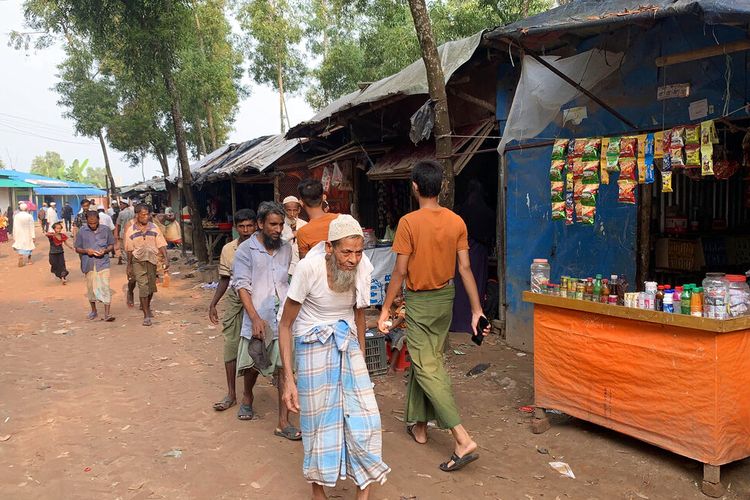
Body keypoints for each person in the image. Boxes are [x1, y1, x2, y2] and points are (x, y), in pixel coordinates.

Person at [378, 160, 490, 473]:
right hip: (446, 300)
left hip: (421, 301)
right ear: (440, 187)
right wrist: (476, 310)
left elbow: (400, 271)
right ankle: (420, 426)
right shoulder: (456, 221)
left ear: (414, 186)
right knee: (425, 361)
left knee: (427, 366)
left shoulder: (409, 222)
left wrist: (386, 308)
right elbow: (465, 269)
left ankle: (461, 437)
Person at [279, 214, 389, 500]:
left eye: (358, 251)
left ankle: (362, 494)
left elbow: (360, 315)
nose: (353, 259)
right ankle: (319, 493)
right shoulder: (308, 269)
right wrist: (289, 381)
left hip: (346, 339)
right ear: (330, 248)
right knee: (318, 422)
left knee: (367, 419)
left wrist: (361, 360)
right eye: (346, 252)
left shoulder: (363, 267)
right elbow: (285, 325)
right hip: (312, 341)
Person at [231, 202, 300, 440]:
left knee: (284, 368)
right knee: (253, 363)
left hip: (283, 317)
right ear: (260, 224)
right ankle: (247, 396)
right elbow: (241, 285)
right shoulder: (245, 251)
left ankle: (283, 422)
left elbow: (286, 281)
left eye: (281, 224)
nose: (278, 229)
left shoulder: (286, 249)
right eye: (273, 224)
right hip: (257, 314)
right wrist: (254, 317)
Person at [208, 209, 257, 412]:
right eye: (242, 226)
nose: (246, 230)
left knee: (256, 347)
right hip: (236, 299)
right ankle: (231, 393)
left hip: (258, 301)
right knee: (231, 345)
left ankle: (249, 394)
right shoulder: (229, 249)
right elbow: (225, 278)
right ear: (236, 228)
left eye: (249, 226)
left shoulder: (263, 247)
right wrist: (213, 303)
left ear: (256, 226)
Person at [451, 179, 495, 334]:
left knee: (461, 286)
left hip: (464, 249)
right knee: (475, 284)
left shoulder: (460, 210)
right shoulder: (486, 211)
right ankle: (474, 318)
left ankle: (460, 322)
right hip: (477, 250)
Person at [125, 204, 168, 327]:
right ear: (137, 215)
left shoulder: (154, 227)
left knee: (151, 286)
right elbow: (129, 249)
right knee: (143, 286)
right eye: (143, 215)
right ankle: (146, 315)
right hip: (137, 260)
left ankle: (147, 306)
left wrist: (166, 258)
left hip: (152, 259)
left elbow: (161, 244)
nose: (145, 217)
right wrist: (128, 266)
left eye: (147, 214)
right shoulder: (131, 230)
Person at [74, 210, 115, 321]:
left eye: (95, 223)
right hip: (89, 263)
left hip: (103, 263)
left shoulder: (106, 230)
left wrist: (105, 250)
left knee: (105, 286)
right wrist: (87, 251)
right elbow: (77, 248)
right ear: (86, 221)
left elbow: (112, 244)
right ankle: (94, 311)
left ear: (98, 220)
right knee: (91, 288)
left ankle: (107, 314)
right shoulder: (82, 231)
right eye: (90, 223)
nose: (92, 225)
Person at [296, 179, 338, 259]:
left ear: (301, 202)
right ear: (323, 197)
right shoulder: (340, 219)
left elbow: (305, 264)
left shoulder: (303, 232)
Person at [280, 195, 307, 275]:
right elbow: (277, 243)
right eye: (288, 210)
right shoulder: (279, 225)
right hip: (283, 266)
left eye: (295, 210)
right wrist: (292, 234)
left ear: (299, 210)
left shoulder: (305, 225)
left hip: (301, 267)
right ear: (284, 210)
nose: (292, 214)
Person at [12, 202, 35, 267]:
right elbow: (32, 226)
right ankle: (29, 260)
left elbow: (14, 226)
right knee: (30, 245)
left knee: (20, 245)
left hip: (19, 233)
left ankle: (20, 257)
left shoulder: (16, 216)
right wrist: (33, 236)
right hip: (28, 233)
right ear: (26, 208)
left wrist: (14, 235)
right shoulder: (29, 216)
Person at [115, 200, 135, 265]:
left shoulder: (121, 213)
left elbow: (118, 224)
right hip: (132, 231)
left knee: (123, 247)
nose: (120, 206)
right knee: (131, 246)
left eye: (121, 204)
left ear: (125, 205)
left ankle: (127, 260)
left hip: (123, 232)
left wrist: (116, 234)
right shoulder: (133, 212)